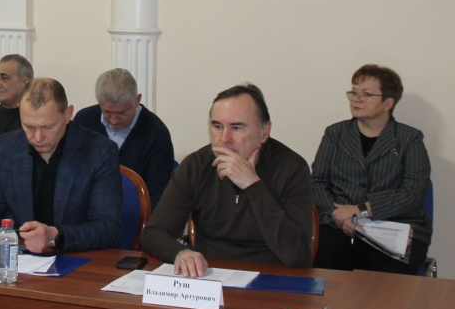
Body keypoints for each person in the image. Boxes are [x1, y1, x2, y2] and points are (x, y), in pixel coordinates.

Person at [142, 83, 313, 277]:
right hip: (211, 275)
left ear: (265, 132)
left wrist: (252, 185)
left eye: (236, 128)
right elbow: (153, 233)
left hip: (274, 278)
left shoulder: (292, 168)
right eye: (217, 127)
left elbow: (295, 253)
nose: (224, 138)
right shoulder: (196, 166)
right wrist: (180, 253)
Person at [0, 78, 124, 253]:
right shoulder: (5, 148)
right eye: (29, 126)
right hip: (23, 258)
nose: (38, 138)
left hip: (80, 258)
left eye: (48, 127)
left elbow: (109, 228)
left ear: (67, 114)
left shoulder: (99, 152)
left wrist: (55, 235)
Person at [312, 65, 431, 275]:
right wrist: (339, 217)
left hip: (395, 225)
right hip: (339, 226)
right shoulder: (335, 134)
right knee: (328, 262)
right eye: (354, 92)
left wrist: (363, 209)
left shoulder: (409, 138)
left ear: (388, 103)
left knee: (385, 276)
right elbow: (318, 183)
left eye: (366, 94)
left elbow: (412, 192)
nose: (356, 99)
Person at [74, 68, 175, 209]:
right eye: (107, 112)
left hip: (135, 214)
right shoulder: (84, 121)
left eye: (122, 113)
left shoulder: (156, 134)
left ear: (137, 100)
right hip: (88, 212)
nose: (114, 120)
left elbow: (160, 197)